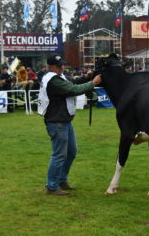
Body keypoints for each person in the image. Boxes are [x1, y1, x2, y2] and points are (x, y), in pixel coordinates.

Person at [38, 54, 102, 196]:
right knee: (59, 155)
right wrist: (93, 83)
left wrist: (86, 77)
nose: (63, 66)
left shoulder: (57, 76)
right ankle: (52, 186)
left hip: (63, 121)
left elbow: (73, 82)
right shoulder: (54, 80)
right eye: (60, 65)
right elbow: (74, 89)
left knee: (71, 152)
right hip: (57, 122)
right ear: (51, 66)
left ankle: (61, 180)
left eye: (63, 64)